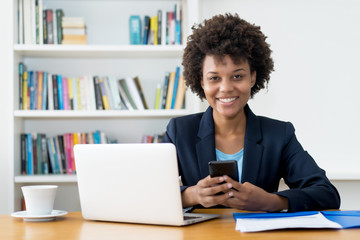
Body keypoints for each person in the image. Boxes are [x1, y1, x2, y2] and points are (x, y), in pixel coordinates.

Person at [161, 13, 340, 212]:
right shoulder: (179, 131)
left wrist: (270, 201)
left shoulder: (279, 135)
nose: (226, 88)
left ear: (253, 78)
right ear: (201, 81)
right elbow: (148, 191)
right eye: (214, 78)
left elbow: (327, 194)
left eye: (237, 76)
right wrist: (191, 195)